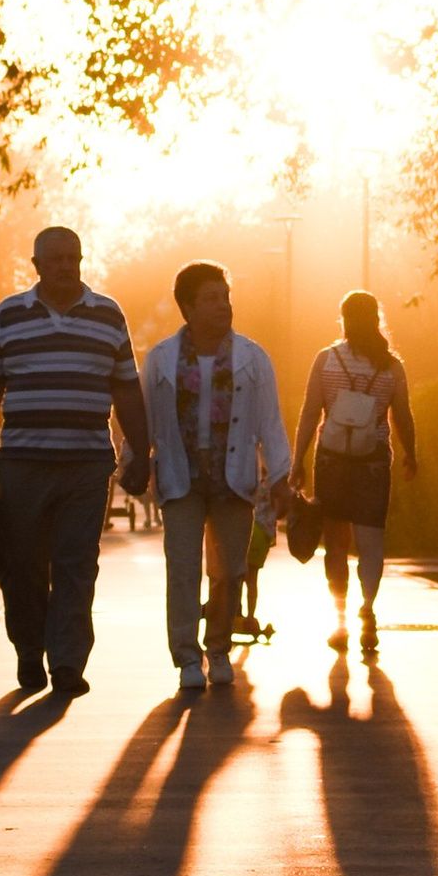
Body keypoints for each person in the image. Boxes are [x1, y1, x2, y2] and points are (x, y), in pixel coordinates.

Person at [0, 226, 150, 703]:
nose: (67, 265)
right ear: (36, 264)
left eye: (74, 257)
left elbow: (126, 388)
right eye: (57, 259)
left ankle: (66, 662)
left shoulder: (108, 315)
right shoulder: (9, 315)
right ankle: (29, 648)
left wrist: (141, 451)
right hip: (23, 462)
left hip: (87, 464)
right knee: (22, 563)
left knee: (76, 562)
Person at [141, 260, 291, 694]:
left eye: (225, 297)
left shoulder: (252, 358)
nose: (222, 306)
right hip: (181, 476)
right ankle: (188, 657)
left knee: (228, 571)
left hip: (233, 479)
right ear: (187, 307)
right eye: (210, 299)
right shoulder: (161, 359)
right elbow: (146, 419)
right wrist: (133, 459)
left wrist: (280, 477)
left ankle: (219, 648)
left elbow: (270, 422)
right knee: (184, 570)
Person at [293, 289, 418, 658]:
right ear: (377, 319)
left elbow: (310, 411)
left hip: (331, 460)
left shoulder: (326, 360)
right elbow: (403, 415)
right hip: (373, 463)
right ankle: (368, 610)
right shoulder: (392, 366)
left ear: (343, 319)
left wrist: (298, 458)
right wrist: (412, 454)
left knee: (336, 545)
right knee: (371, 544)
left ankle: (340, 620)